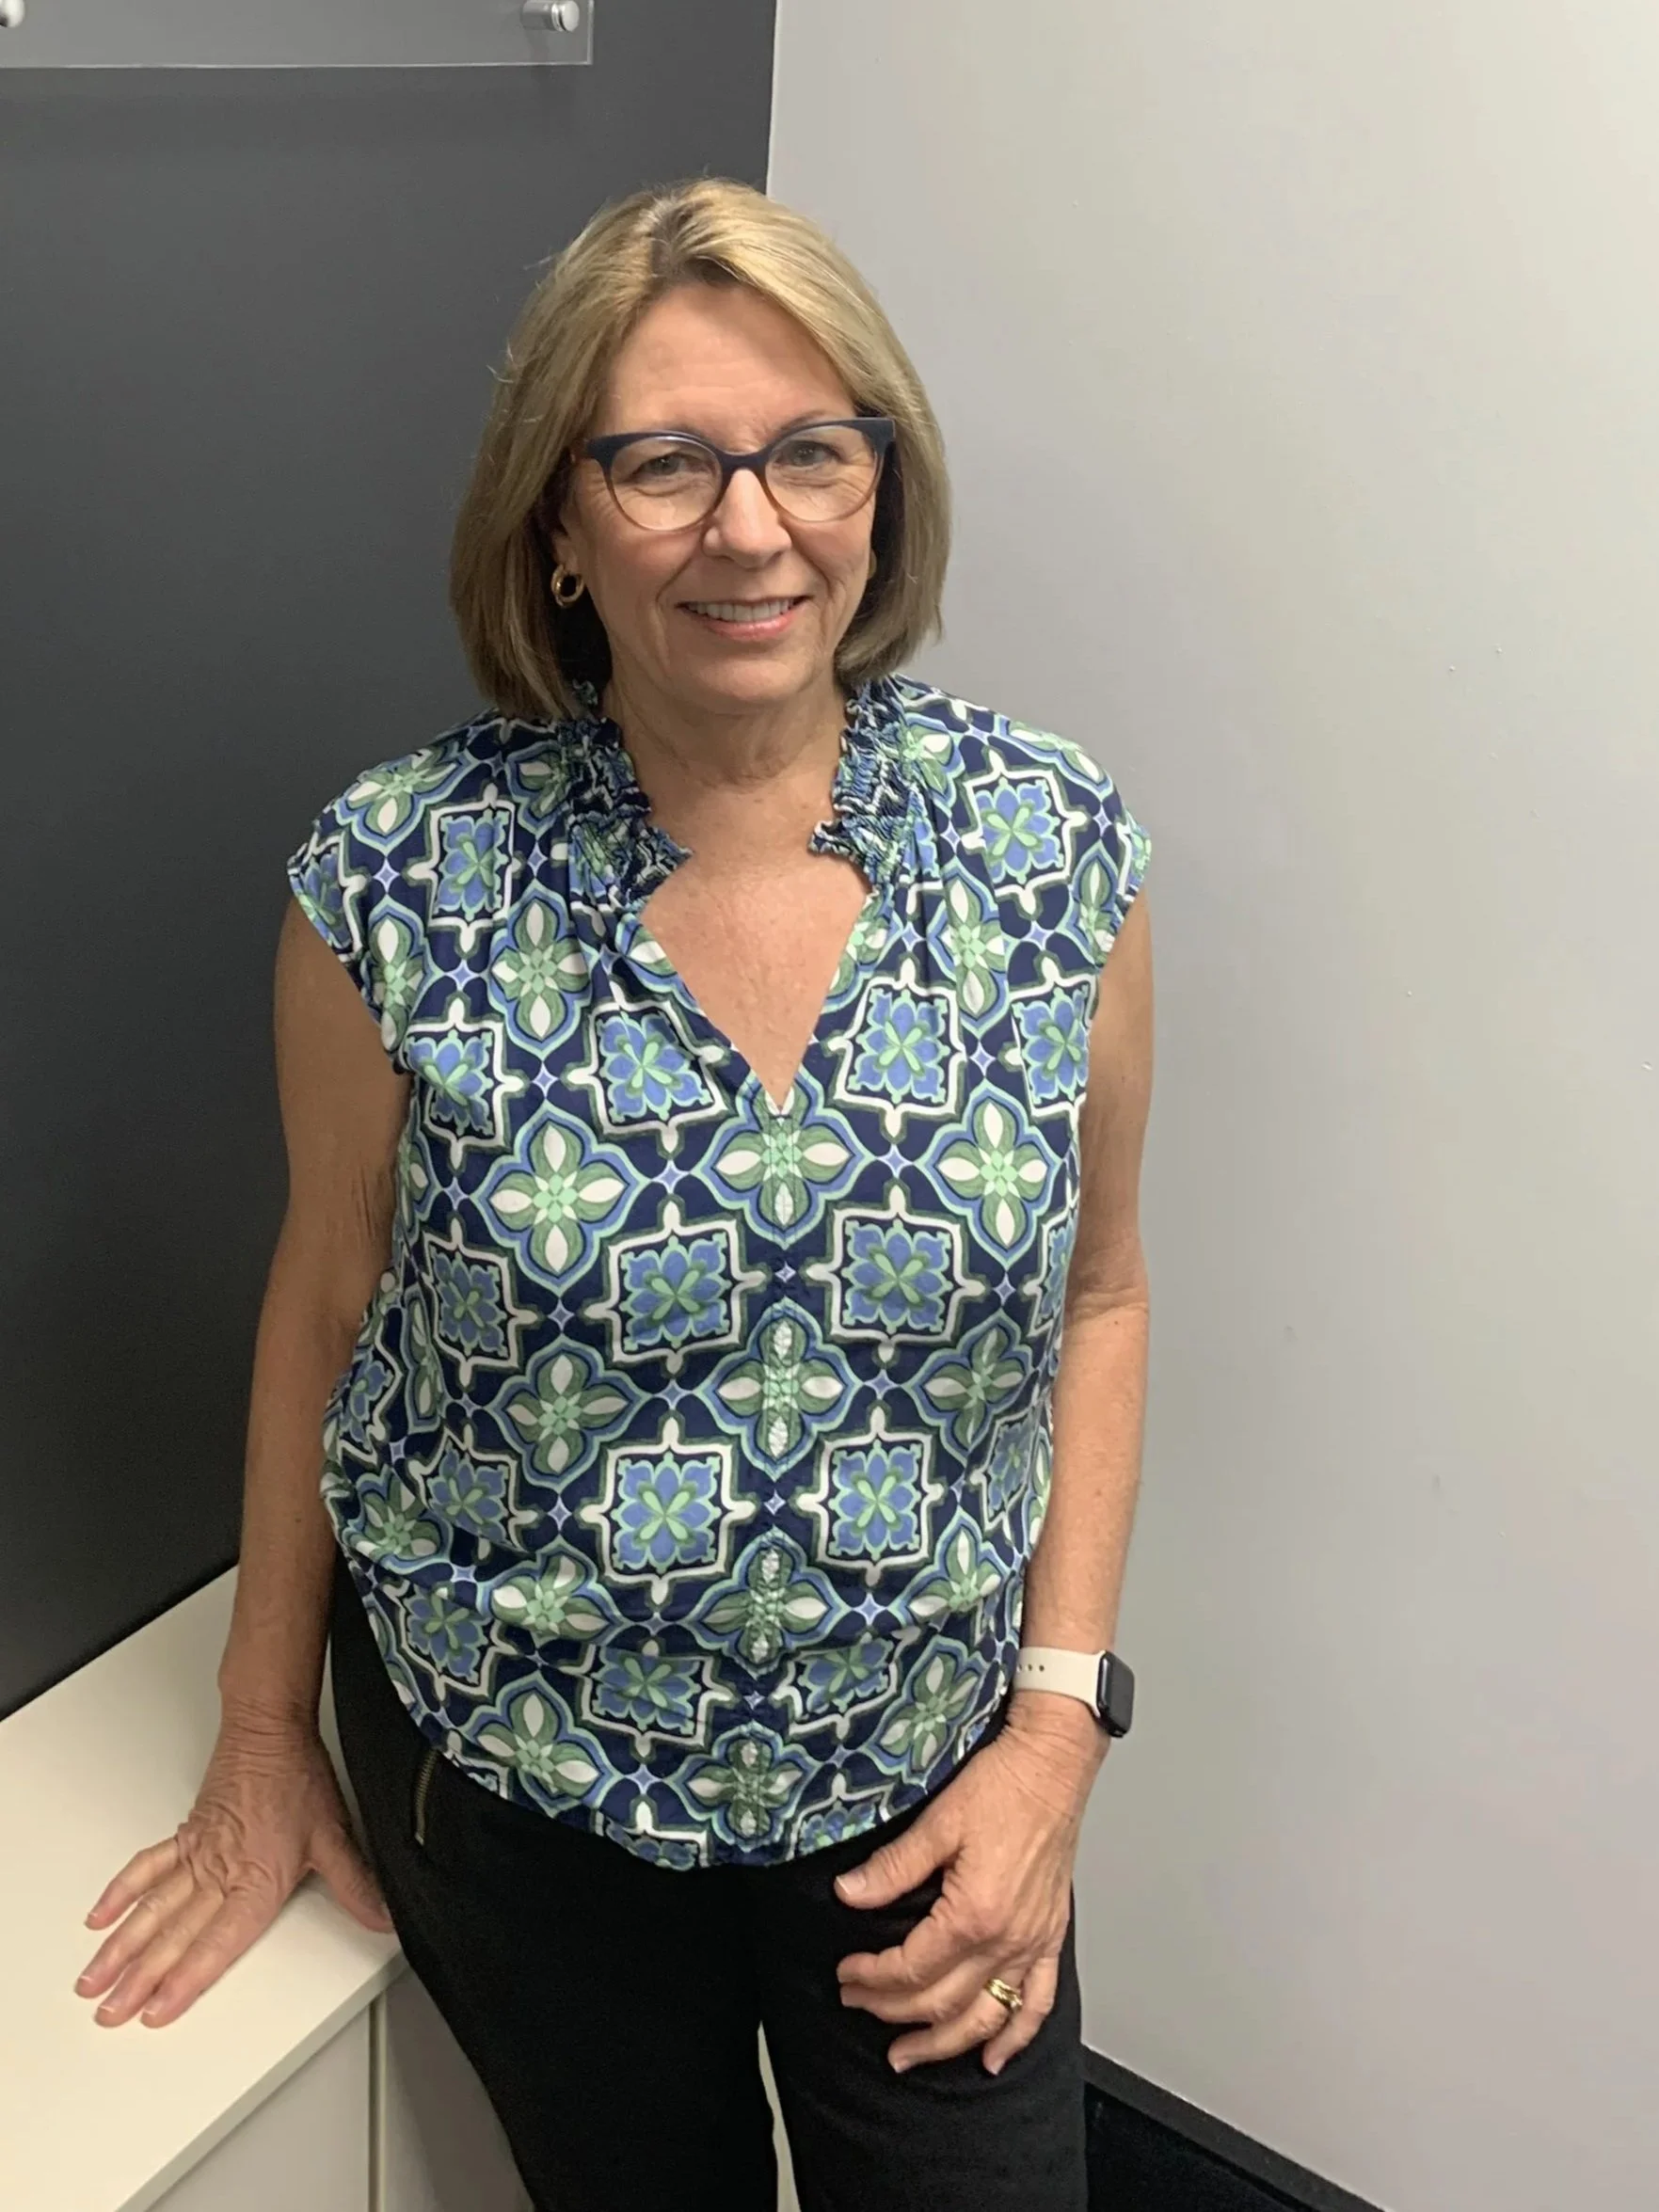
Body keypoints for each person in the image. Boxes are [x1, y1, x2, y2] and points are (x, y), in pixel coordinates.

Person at [73, 178, 1153, 2212]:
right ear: (555, 524)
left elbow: (1097, 1295)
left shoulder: (1048, 847)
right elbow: (327, 1304)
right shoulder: (399, 877)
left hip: (923, 1781)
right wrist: (257, 1732)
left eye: (809, 448)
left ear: (876, 487)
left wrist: (1055, 1729)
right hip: (524, 1789)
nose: (748, 525)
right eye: (662, 461)